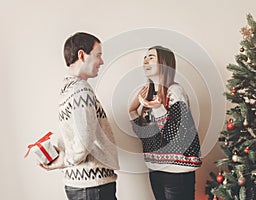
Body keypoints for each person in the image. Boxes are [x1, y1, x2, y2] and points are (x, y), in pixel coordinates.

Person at [40, 32, 119, 200]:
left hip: (79, 183)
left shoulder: (67, 89)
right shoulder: (81, 90)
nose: (102, 61)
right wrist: (65, 160)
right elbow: (84, 141)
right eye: (98, 55)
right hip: (93, 184)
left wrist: (65, 158)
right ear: (82, 55)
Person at [129, 46, 202, 200]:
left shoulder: (175, 92)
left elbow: (177, 135)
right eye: (145, 57)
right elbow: (144, 134)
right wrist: (132, 110)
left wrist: (158, 108)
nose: (146, 60)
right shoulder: (148, 94)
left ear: (164, 63)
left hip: (176, 171)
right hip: (155, 168)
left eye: (151, 57)